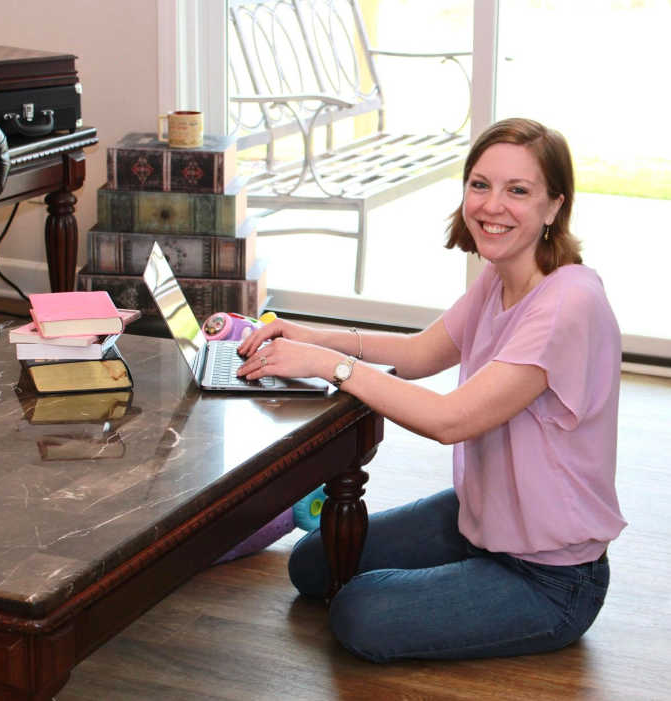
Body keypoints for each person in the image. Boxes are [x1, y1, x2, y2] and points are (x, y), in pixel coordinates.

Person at [236, 117, 627, 663]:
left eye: (518, 190)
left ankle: (474, 593)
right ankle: (459, 578)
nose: (492, 206)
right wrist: (306, 333)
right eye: (480, 184)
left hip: (551, 576)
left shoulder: (568, 304)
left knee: (358, 612)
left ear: (554, 206)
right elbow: (421, 354)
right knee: (312, 563)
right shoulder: (501, 275)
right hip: (480, 517)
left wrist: (330, 366)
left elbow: (449, 421)